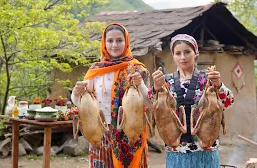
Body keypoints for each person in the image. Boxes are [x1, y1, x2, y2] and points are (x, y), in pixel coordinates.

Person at [71, 23, 151, 168]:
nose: (115, 45)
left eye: (119, 40)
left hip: (129, 133)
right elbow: (81, 102)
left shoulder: (137, 70)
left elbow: (148, 103)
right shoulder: (95, 71)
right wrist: (76, 94)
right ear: (104, 43)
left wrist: (140, 84)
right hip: (99, 133)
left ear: (126, 42)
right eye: (110, 41)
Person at [151, 34, 234, 168]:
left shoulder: (208, 79)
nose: (183, 57)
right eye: (178, 53)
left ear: (196, 53)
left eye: (187, 52)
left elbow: (228, 103)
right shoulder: (166, 81)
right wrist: (155, 88)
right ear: (173, 56)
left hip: (206, 150)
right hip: (176, 151)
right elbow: (150, 106)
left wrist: (219, 85)